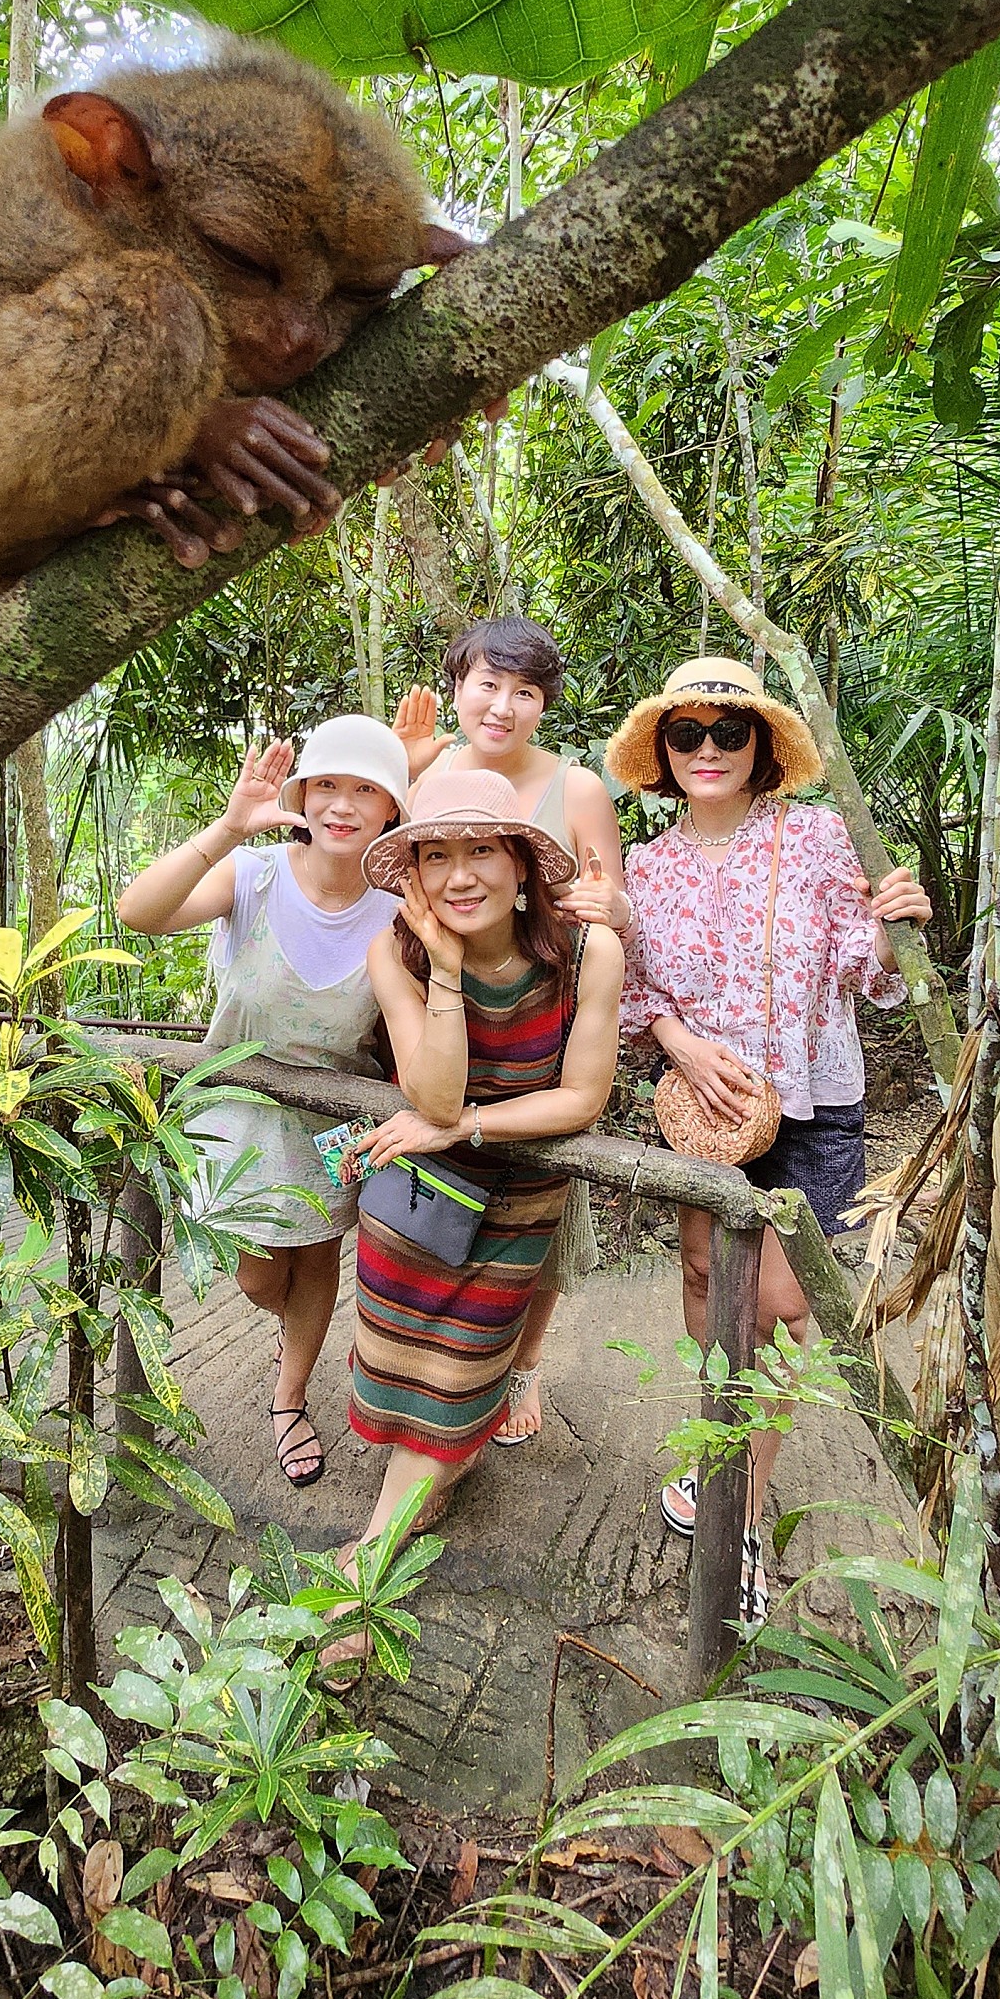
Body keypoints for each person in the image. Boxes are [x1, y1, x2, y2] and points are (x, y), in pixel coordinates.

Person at [605, 655, 934, 1629]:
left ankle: (738, 1511)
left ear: (760, 747)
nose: (707, 748)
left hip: (810, 1099)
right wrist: (679, 1043)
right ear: (663, 751)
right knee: (711, 1288)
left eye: (728, 731)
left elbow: (861, 975)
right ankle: (719, 1451)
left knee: (785, 1302)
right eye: (687, 733)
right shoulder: (645, 866)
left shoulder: (818, 836)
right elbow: (636, 999)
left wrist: (889, 930)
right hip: (703, 1116)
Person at [322, 767, 623, 1675]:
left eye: (481, 849)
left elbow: (582, 1098)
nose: (460, 875)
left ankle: (371, 1562)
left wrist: (472, 1126)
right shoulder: (395, 954)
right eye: (436, 854)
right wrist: (446, 968)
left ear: (524, 862)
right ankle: (434, 1481)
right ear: (411, 872)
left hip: (519, 1190)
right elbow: (436, 1087)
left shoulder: (586, 951)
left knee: (465, 1361)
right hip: (419, 1196)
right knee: (403, 1351)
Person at [115, 716, 410, 1490]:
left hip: (333, 1119)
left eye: (366, 790)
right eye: (328, 786)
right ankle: (295, 1342)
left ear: (391, 810)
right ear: (302, 796)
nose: (343, 806)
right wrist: (225, 828)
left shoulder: (397, 908)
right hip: (235, 1107)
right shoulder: (252, 874)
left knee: (315, 1258)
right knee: (258, 1278)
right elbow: (137, 914)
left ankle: (289, 1398)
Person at [391, 617, 631, 1444]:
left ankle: (522, 1366)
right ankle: (442, 1371)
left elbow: (613, 902)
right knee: (440, 1207)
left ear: (543, 705)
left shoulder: (579, 788)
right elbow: (377, 876)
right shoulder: (429, 773)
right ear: (457, 686)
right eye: (487, 684)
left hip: (550, 1014)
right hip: (447, 1011)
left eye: (524, 691)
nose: (502, 705)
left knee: (545, 1216)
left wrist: (603, 915)